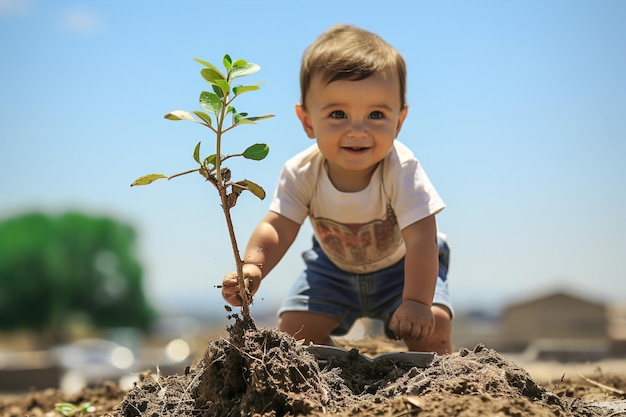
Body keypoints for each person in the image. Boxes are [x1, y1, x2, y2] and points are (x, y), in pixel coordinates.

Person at [221, 24, 453, 355]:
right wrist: (253, 266)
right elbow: (278, 226)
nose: (357, 130)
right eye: (338, 114)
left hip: (404, 269)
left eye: (376, 114)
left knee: (432, 326)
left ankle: (443, 381)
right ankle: (341, 369)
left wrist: (416, 301)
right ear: (307, 121)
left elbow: (421, 239)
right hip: (331, 271)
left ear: (399, 121)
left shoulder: (401, 169)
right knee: (294, 332)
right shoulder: (302, 172)